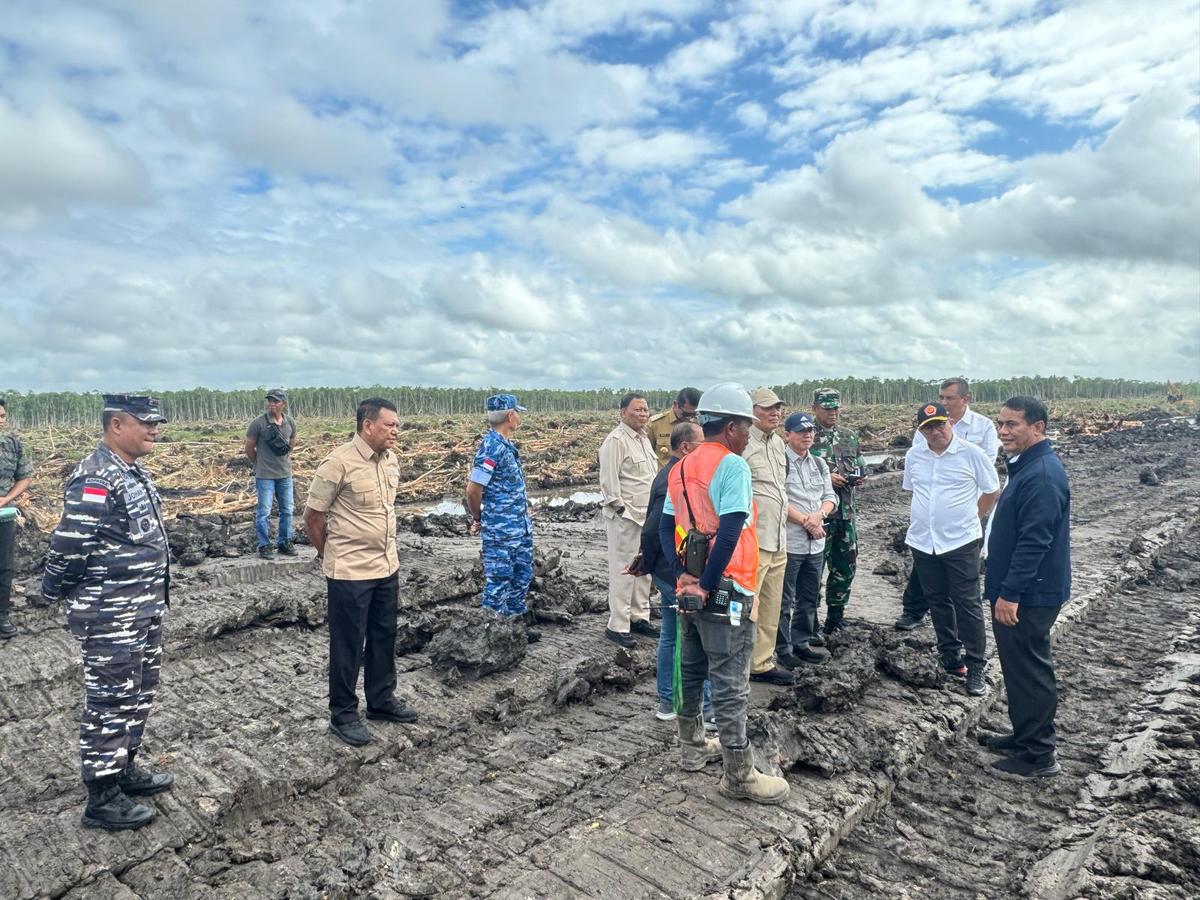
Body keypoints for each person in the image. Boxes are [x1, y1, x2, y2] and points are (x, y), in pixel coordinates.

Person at [40, 395, 175, 831]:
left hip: (141, 606)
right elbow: (70, 545)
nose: (155, 429)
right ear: (116, 425)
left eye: (157, 423)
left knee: (139, 690)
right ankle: (101, 796)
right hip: (109, 612)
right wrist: (58, 591)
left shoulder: (132, 473)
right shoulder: (95, 476)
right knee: (110, 698)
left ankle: (124, 769)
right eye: (146, 423)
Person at [658, 382, 789, 804]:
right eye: (745, 426)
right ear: (730, 426)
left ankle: (692, 747)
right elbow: (732, 527)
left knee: (692, 669)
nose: (749, 433)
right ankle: (739, 774)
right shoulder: (733, 467)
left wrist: (684, 577)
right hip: (727, 587)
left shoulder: (680, 466)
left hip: (690, 588)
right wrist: (710, 583)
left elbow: (665, 527)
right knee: (732, 682)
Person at [303, 398, 418, 747]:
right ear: (368, 426)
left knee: (384, 637)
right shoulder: (337, 463)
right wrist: (329, 555)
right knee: (348, 645)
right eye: (389, 425)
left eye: (397, 425)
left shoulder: (391, 461)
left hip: (386, 565)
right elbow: (312, 517)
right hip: (350, 571)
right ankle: (343, 714)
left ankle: (381, 702)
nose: (396, 431)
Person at [984, 396, 1070, 778]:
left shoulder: (1044, 475)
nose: (1003, 431)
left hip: (1029, 594)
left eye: (1012, 424)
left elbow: (1036, 540)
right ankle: (1024, 736)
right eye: (1000, 424)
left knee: (1030, 668)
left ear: (1038, 428)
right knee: (1017, 668)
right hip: (1023, 590)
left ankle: (1038, 755)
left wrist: (1011, 593)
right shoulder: (1028, 466)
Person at [903, 403, 1000, 695]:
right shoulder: (914, 455)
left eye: (939, 424)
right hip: (923, 541)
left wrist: (974, 517)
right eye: (928, 428)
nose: (935, 432)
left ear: (951, 424)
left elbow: (992, 490)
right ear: (921, 431)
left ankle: (976, 666)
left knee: (967, 604)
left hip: (960, 541)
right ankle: (949, 656)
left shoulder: (972, 454)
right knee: (937, 601)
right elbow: (913, 490)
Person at [896, 377, 1000, 630]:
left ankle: (970, 644)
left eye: (949, 398)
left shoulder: (983, 427)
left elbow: (986, 475)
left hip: (969, 508)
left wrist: (974, 514)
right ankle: (915, 610)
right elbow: (921, 462)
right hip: (933, 511)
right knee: (926, 562)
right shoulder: (926, 428)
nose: (944, 401)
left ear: (966, 399)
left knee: (964, 579)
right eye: (941, 397)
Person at [629, 421, 714, 726]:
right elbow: (654, 528)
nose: (707, 449)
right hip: (673, 573)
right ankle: (681, 702)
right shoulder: (673, 480)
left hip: (670, 569)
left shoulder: (677, 474)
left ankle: (670, 701)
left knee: (672, 634)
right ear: (685, 448)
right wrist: (655, 566)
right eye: (701, 444)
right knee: (687, 636)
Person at [465, 394, 539, 643]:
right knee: (498, 582)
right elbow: (474, 489)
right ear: (510, 416)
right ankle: (491, 635)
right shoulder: (491, 447)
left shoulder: (506, 444)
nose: (519, 416)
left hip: (519, 527)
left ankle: (515, 629)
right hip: (500, 530)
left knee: (521, 576)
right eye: (517, 412)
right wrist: (479, 518)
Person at [776, 413, 838, 667]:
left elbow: (830, 497)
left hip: (816, 543)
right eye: (801, 431)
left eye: (810, 431)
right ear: (787, 435)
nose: (807, 435)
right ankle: (782, 648)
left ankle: (801, 643)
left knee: (809, 597)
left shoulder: (820, 464)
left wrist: (820, 515)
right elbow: (780, 501)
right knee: (784, 599)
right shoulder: (780, 463)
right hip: (791, 542)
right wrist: (807, 521)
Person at [598, 392, 658, 648]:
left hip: (647, 516)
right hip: (627, 518)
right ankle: (618, 625)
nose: (643, 414)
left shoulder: (644, 439)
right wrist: (623, 512)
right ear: (623, 412)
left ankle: (639, 616)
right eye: (637, 410)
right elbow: (609, 485)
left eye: (645, 410)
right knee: (624, 570)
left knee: (644, 570)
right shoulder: (616, 441)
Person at [744, 387, 795, 686]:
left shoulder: (778, 443)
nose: (775, 413)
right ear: (752, 411)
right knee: (747, 607)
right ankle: (740, 663)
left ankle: (761, 663)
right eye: (768, 408)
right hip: (754, 540)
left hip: (778, 539)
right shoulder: (742, 444)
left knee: (772, 606)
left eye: (778, 408)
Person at [809, 388, 866, 636]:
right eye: (827, 408)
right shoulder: (806, 436)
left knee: (845, 567)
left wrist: (859, 476)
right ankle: (809, 622)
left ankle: (835, 618)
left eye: (835, 408)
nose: (832, 413)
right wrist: (825, 477)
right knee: (813, 571)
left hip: (846, 514)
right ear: (815, 408)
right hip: (818, 516)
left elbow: (861, 465)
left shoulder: (849, 437)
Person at [244, 388, 299, 560]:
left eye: (276, 401)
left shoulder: (289, 422)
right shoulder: (258, 423)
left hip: (285, 474)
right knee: (264, 511)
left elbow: (292, 441)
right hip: (264, 475)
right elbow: (249, 447)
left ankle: (284, 542)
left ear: (284, 404)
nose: (272, 404)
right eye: (270, 401)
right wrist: (258, 463)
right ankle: (264, 545)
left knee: (287, 510)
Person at [0, 398, 32, 640]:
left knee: (4, 566)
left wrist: (6, 498)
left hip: (3, 515)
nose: (0, 421)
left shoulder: (13, 445)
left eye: (2, 416)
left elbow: (24, 477)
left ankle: (2, 615)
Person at [647, 387, 702, 469]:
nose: (690, 417)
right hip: (665, 478)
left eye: (694, 414)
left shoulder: (699, 424)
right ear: (675, 405)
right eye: (686, 414)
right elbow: (646, 455)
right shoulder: (655, 424)